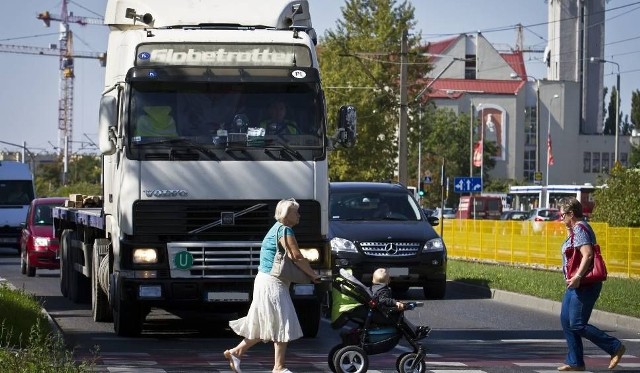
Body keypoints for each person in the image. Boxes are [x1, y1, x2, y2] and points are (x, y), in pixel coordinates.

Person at [224, 198, 321, 373]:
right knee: (281, 322)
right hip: (272, 283)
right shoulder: (285, 230)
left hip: (265, 280)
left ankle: (236, 352)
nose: (299, 215)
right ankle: (279, 367)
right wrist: (314, 275)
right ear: (286, 214)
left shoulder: (276, 229)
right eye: (295, 211)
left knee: (266, 322)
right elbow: (296, 256)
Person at [557, 197, 625, 371]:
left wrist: (578, 276)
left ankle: (615, 347)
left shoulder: (580, 229)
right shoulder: (576, 229)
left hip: (584, 284)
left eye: (563, 214)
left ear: (571, 214)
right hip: (576, 284)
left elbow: (587, 254)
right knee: (566, 320)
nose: (561, 218)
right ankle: (575, 361)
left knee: (577, 323)